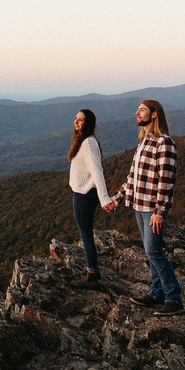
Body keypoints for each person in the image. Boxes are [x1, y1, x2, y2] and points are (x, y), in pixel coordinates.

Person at [114, 100, 184, 315]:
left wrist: (160, 212)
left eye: (142, 110)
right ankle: (156, 293)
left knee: (154, 251)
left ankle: (174, 299)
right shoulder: (144, 142)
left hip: (152, 209)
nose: (137, 113)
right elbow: (133, 177)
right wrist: (118, 198)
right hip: (139, 205)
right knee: (150, 252)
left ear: (154, 115)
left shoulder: (164, 143)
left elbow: (166, 180)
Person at [68, 108, 116, 288]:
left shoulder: (88, 143)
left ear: (88, 123)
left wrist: (104, 198)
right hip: (85, 193)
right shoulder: (83, 140)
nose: (76, 121)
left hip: (85, 195)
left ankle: (92, 275)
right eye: (75, 118)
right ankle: (92, 272)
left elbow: (97, 171)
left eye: (81, 119)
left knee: (86, 235)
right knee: (86, 233)